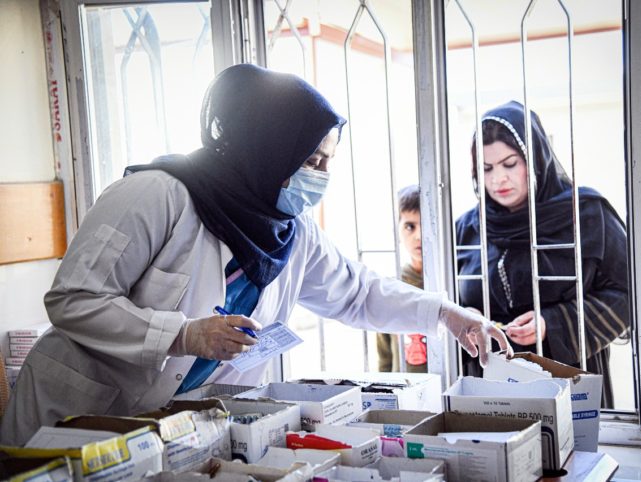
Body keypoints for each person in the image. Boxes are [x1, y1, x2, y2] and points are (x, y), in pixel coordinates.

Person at [0, 65, 511, 445]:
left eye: (327, 162)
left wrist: (446, 314)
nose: (320, 176)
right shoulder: (157, 196)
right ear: (265, 146)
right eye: (309, 159)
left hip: (166, 431)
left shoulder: (290, 232)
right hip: (73, 418)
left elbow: (357, 293)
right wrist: (182, 334)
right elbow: (73, 299)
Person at [456, 100, 629, 408]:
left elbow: (630, 294)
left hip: (570, 386)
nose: (498, 179)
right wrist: (467, 319)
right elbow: (445, 303)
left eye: (510, 164)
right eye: (486, 168)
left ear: (534, 159)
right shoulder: (467, 229)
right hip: (490, 393)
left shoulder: (585, 214)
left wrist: (553, 323)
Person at [377, 185, 428, 373]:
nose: (420, 236)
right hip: (405, 393)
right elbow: (385, 356)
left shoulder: (456, 282)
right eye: (410, 226)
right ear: (397, 230)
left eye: (427, 225)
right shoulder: (390, 287)